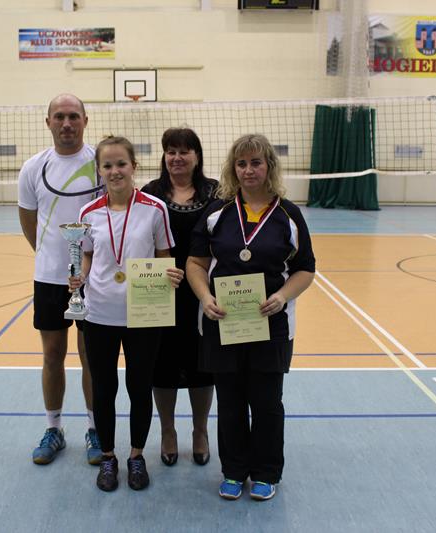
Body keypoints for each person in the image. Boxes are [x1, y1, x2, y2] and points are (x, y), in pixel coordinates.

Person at [186, 134, 316, 502]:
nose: (248, 170)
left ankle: (265, 472)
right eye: (241, 163)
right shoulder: (218, 212)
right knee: (229, 402)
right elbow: (195, 263)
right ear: (233, 169)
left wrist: (282, 296)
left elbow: (306, 269)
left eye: (256, 162)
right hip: (222, 323)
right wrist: (205, 297)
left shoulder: (289, 214)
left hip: (271, 325)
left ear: (269, 166)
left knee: (266, 403)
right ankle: (233, 470)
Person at [70, 136, 184, 492]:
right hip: (100, 314)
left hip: (143, 315)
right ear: (99, 171)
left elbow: (164, 256)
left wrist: (172, 274)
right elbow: (87, 255)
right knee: (104, 388)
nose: (115, 171)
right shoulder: (88, 214)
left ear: (134, 166)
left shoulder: (155, 209)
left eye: (121, 163)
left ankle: (136, 456)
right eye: (107, 165)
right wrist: (80, 276)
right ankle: (108, 456)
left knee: (139, 387)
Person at [17, 94, 103, 466]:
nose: (66, 123)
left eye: (73, 116)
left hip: (94, 278)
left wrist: (88, 266)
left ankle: (95, 428)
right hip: (50, 279)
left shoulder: (101, 164)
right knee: (52, 355)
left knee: (91, 357)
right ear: (48, 122)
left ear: (85, 120)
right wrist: (52, 259)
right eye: (59, 117)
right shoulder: (33, 168)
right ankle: (54, 428)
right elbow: (28, 220)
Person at [141, 128, 219, 467]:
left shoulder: (217, 192)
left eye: (184, 151)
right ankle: (168, 431)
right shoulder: (150, 193)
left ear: (197, 156)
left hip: (204, 293)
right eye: (171, 151)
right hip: (160, 293)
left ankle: (200, 431)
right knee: (163, 365)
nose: (177, 157)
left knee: (203, 364)